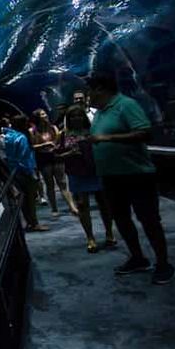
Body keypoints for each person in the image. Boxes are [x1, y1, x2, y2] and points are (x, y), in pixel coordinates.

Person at [87, 72, 174, 284]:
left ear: (100, 89)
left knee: (149, 219)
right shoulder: (99, 113)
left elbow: (145, 133)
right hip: (111, 177)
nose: (87, 95)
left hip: (136, 174)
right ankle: (138, 258)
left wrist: (107, 138)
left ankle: (163, 263)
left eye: (89, 91)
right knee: (121, 219)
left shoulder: (126, 105)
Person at [56, 105, 115, 253]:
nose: (77, 118)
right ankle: (90, 237)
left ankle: (109, 233)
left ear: (84, 117)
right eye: (73, 116)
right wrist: (69, 154)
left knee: (105, 204)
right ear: (68, 119)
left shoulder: (93, 131)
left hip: (96, 171)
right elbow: (56, 155)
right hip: (76, 173)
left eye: (79, 115)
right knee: (82, 206)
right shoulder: (63, 134)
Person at [29, 109, 79, 218]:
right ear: (37, 117)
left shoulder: (54, 128)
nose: (45, 115)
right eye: (42, 114)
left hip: (56, 157)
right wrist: (44, 145)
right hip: (43, 158)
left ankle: (72, 207)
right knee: (50, 184)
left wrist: (56, 145)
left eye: (45, 113)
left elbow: (57, 142)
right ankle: (54, 208)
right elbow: (32, 146)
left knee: (62, 182)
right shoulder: (32, 131)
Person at [5, 114, 49, 232]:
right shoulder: (22, 138)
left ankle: (28, 222)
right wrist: (31, 172)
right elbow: (24, 157)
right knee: (31, 199)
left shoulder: (8, 136)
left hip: (15, 171)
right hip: (26, 171)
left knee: (23, 200)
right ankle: (35, 223)